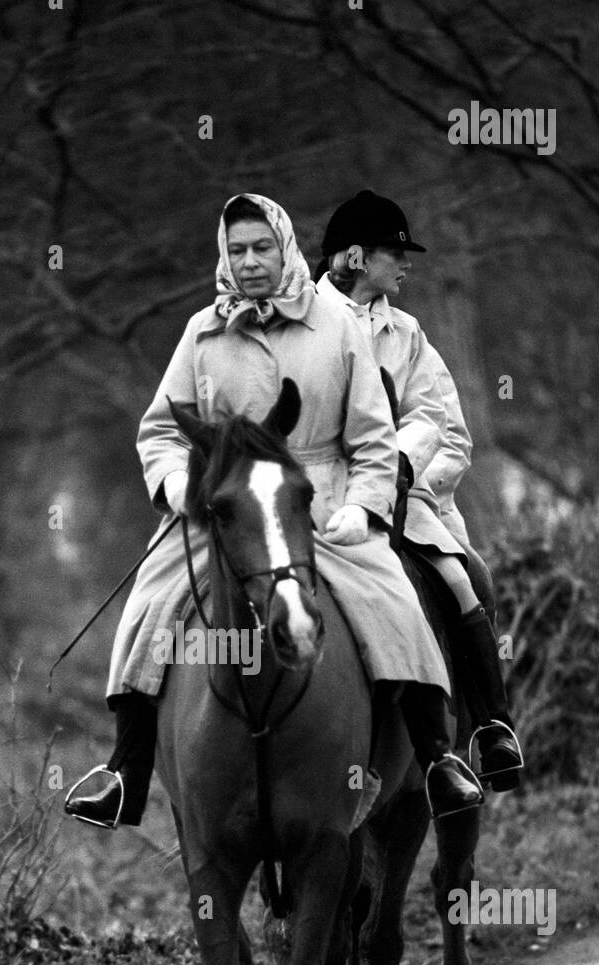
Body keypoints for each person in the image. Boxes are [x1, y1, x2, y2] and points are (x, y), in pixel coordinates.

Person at [65, 193, 484, 829]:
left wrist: (367, 510)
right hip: (227, 507)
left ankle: (435, 757)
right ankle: (125, 769)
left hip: (324, 500)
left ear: (284, 247)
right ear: (223, 255)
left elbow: (374, 438)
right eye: (238, 250)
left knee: (396, 598)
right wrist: (177, 481)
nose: (251, 261)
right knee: (148, 602)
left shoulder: (337, 325)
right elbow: (160, 430)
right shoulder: (201, 332)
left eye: (262, 247)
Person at [314, 189, 523, 791]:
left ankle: (489, 727)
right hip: (307, 499)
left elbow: (447, 430)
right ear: (355, 256)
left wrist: (401, 472)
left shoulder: (406, 334)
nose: (406, 264)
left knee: (467, 580)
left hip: (398, 499)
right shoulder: (296, 318)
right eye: (393, 253)